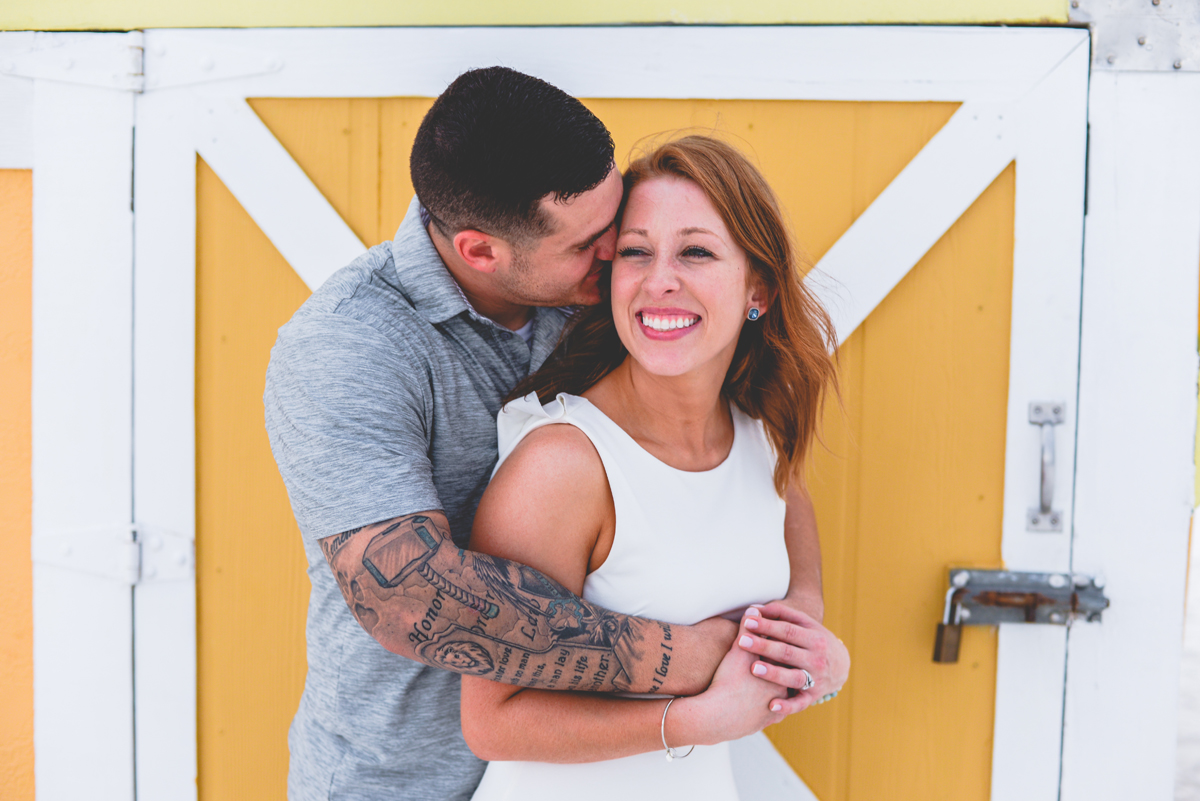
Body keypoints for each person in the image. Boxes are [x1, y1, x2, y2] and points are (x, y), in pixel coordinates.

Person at [265, 67, 845, 801]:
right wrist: (688, 661)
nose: (619, 260)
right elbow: (409, 596)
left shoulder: (602, 297)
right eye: (597, 244)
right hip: (404, 776)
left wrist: (803, 627)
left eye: (619, 229)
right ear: (483, 253)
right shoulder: (350, 347)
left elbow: (743, 469)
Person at [460, 135, 845, 799]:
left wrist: (819, 662)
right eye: (635, 252)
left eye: (695, 251)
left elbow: (798, 608)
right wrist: (690, 718)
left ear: (759, 287)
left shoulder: (763, 441)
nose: (659, 278)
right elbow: (491, 720)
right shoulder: (564, 463)